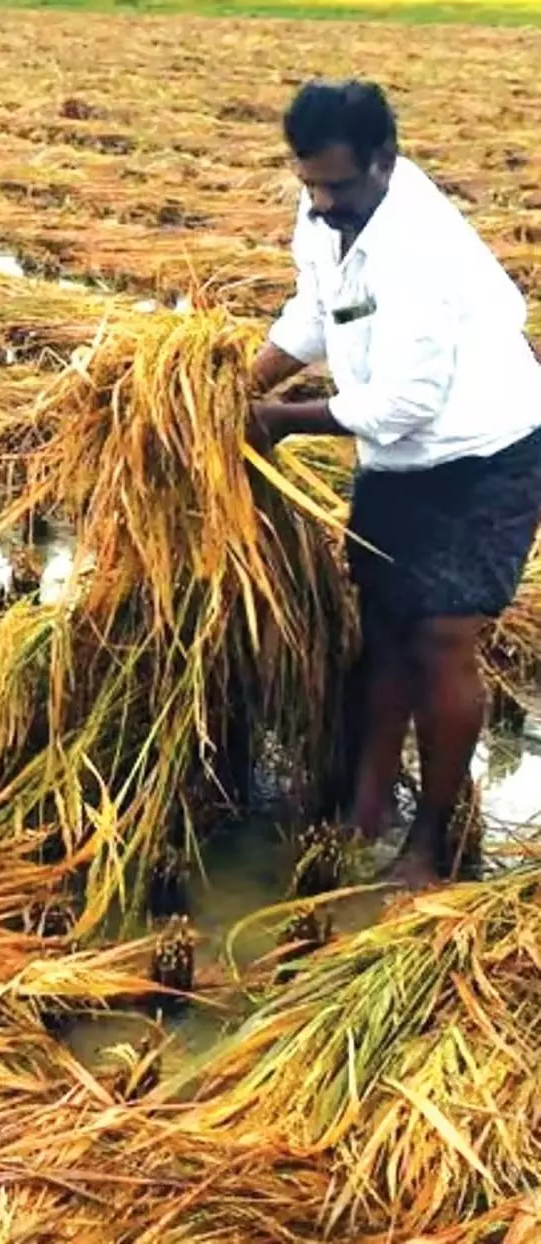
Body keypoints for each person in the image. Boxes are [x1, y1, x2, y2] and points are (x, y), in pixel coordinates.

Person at [248, 79, 541, 888]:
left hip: (483, 454)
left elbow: (407, 402)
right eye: (308, 183)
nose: (320, 201)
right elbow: (318, 309)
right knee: (381, 631)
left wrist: (280, 419)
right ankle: (365, 808)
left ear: (386, 159)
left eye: (337, 185)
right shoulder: (328, 212)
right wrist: (243, 378)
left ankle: (430, 844)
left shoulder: (421, 243)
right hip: (397, 460)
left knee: (439, 638)